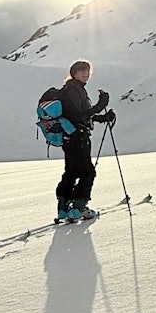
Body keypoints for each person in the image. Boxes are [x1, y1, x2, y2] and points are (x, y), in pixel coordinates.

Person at [55, 60, 115, 221]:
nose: (86, 74)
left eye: (88, 71)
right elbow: (79, 115)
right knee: (88, 171)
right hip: (77, 137)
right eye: (82, 71)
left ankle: (63, 208)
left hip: (70, 136)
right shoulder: (73, 89)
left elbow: (82, 114)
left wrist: (102, 117)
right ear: (73, 72)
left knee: (72, 170)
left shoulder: (72, 89)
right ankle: (79, 208)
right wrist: (101, 104)